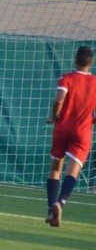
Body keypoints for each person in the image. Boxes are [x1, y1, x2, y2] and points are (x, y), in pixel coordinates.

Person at [45, 45, 96, 227]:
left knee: (55, 168)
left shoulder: (66, 78)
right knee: (73, 171)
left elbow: (59, 99)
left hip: (62, 128)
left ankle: (51, 208)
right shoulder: (95, 82)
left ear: (75, 61)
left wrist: (54, 116)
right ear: (91, 63)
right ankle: (61, 201)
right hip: (83, 132)